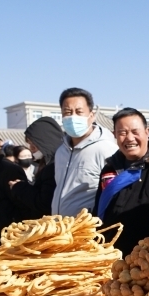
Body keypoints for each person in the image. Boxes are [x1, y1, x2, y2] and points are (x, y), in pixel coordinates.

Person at [93, 108, 149, 256]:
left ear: (147, 131)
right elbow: (98, 211)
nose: (129, 138)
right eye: (122, 133)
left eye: (135, 132)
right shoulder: (109, 168)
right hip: (111, 256)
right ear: (115, 135)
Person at [52, 87, 117, 217]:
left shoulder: (106, 149)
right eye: (67, 112)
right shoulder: (60, 152)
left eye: (79, 111)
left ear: (91, 116)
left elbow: (113, 194)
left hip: (86, 230)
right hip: (60, 229)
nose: (72, 116)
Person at [10, 116, 63, 218]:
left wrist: (19, 188)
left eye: (33, 144)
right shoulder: (49, 161)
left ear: (45, 141)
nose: (31, 148)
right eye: (29, 144)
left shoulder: (53, 166)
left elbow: (43, 203)